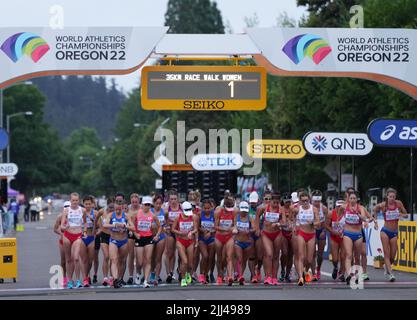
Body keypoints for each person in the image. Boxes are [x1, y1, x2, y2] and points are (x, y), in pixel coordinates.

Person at [373, 188, 408, 282]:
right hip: (385, 231)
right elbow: (374, 209)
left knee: (393, 256)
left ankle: (386, 266)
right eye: (390, 196)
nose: (392, 198)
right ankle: (390, 274)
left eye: (393, 196)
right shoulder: (384, 205)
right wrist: (375, 221)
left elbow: (406, 214)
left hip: (394, 232)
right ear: (387, 197)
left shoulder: (399, 204)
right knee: (386, 253)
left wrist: (401, 214)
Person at [338, 191, 370, 285]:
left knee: (357, 257)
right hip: (347, 233)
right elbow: (339, 214)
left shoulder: (360, 208)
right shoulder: (344, 207)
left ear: (357, 199)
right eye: (350, 198)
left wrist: (358, 214)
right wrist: (339, 222)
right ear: (348, 199)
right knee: (348, 255)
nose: (352, 200)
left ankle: (356, 275)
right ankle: (349, 274)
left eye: (354, 198)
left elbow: (364, 218)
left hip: (358, 235)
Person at [103, 198, 132, 288]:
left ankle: (120, 278)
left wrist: (126, 226)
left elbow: (133, 227)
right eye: (116, 209)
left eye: (120, 209)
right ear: (115, 208)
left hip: (124, 241)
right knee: (114, 259)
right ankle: (115, 279)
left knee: (122, 261)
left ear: (122, 208)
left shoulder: (126, 216)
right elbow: (105, 225)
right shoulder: (111, 215)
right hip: (113, 240)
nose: (118, 210)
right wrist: (115, 225)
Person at [133, 196, 161, 288]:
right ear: (142, 205)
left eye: (149, 205)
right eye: (146, 204)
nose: (147, 206)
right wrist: (134, 233)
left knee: (148, 259)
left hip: (149, 238)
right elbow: (132, 225)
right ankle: (138, 273)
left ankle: (146, 280)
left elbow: (160, 226)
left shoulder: (152, 215)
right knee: (140, 262)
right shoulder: (137, 213)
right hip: (139, 238)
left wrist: (157, 235)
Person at [60, 193, 87, 289]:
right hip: (67, 235)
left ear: (78, 200)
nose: (75, 202)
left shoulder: (82, 210)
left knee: (76, 258)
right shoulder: (66, 211)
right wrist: (65, 227)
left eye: (76, 200)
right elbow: (62, 226)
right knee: (68, 259)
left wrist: (84, 231)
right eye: (73, 200)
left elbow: (85, 222)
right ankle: (70, 281)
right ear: (70, 201)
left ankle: (78, 280)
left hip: (78, 236)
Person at [293, 191, 320, 286]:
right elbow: (291, 218)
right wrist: (294, 227)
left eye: (306, 200)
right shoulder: (297, 209)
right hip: (301, 233)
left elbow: (318, 223)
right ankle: (300, 277)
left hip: (311, 234)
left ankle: (305, 271)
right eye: (303, 201)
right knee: (301, 256)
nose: (305, 202)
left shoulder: (314, 209)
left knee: (309, 259)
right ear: (300, 201)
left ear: (309, 200)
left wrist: (312, 223)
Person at [258, 192, 285, 285]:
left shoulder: (281, 209)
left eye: (277, 203)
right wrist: (258, 228)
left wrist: (278, 223)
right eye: (274, 202)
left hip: (277, 234)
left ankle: (274, 277)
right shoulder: (264, 208)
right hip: (266, 233)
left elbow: (284, 222)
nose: (275, 205)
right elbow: (256, 217)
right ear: (270, 201)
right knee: (269, 254)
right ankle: (268, 276)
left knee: (276, 255)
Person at [172, 201, 199, 287]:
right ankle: (183, 278)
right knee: (184, 261)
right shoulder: (178, 217)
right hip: (181, 241)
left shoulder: (193, 217)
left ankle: (188, 274)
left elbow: (196, 229)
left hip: (190, 241)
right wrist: (180, 233)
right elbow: (173, 229)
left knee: (190, 264)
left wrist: (192, 232)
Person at [233, 201, 256, 285]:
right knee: (239, 258)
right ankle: (239, 275)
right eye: (242, 211)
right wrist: (235, 229)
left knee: (244, 260)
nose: (243, 212)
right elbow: (233, 226)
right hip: (238, 241)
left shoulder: (250, 218)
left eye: (245, 211)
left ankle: (240, 274)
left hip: (247, 242)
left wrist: (249, 231)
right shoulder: (236, 217)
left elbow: (254, 228)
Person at [214, 197, 236, 285]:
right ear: (224, 206)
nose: (230, 209)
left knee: (229, 257)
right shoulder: (218, 212)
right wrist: (225, 229)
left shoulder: (234, 212)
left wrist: (233, 228)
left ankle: (230, 276)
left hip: (229, 237)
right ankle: (220, 275)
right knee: (220, 258)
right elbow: (215, 226)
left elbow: (235, 224)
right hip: (219, 236)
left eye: (231, 207)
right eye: (228, 207)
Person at [164, 190, 182, 283]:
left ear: (177, 199)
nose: (173, 201)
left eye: (175, 199)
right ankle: (169, 273)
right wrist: (170, 224)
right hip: (170, 232)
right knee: (169, 253)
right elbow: (165, 221)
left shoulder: (181, 207)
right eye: (171, 199)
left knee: (180, 254)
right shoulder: (167, 208)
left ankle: (179, 270)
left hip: (179, 233)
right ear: (169, 199)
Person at [326, 197, 346, 281]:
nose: (340, 208)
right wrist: (333, 231)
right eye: (338, 206)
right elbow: (326, 225)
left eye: (341, 206)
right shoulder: (331, 213)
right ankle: (335, 267)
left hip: (344, 237)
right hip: (334, 237)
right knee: (335, 258)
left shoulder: (346, 214)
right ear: (335, 206)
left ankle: (342, 273)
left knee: (343, 256)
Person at [310, 190, 328, 281]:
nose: (317, 203)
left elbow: (326, 221)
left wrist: (323, 230)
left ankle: (318, 269)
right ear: (312, 201)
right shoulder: (309, 208)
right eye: (315, 201)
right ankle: (313, 273)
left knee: (320, 255)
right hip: (312, 231)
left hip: (321, 231)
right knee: (312, 253)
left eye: (318, 201)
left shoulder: (324, 208)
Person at [80, 195, 97, 287]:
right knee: (84, 260)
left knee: (90, 260)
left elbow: (100, 227)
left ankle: (87, 275)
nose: (87, 206)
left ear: (92, 204)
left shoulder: (95, 213)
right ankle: (85, 278)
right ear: (83, 204)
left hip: (91, 237)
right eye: (86, 204)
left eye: (89, 204)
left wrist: (96, 232)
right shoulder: (80, 212)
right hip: (82, 238)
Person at [198, 199, 216, 284]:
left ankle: (206, 274)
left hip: (212, 238)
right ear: (202, 208)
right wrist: (203, 230)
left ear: (211, 208)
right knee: (205, 256)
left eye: (208, 208)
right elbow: (197, 226)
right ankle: (201, 274)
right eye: (205, 208)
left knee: (210, 258)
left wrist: (210, 232)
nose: (207, 210)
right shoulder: (200, 215)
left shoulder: (215, 215)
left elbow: (217, 227)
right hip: (202, 238)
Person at [150, 194, 167, 285]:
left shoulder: (164, 212)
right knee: (152, 257)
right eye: (157, 203)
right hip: (152, 236)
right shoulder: (150, 211)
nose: (158, 205)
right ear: (154, 203)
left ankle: (157, 277)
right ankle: (152, 273)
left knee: (158, 258)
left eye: (160, 203)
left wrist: (164, 228)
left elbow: (165, 224)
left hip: (161, 236)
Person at [97, 198, 114, 286]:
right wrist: (98, 228)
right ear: (107, 205)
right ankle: (105, 278)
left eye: (112, 207)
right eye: (110, 207)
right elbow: (96, 218)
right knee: (106, 256)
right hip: (104, 235)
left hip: (113, 236)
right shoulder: (102, 211)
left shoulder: (116, 213)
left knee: (112, 257)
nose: (111, 209)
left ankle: (111, 277)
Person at [279, 192, 295, 283]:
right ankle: (282, 270)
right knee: (284, 253)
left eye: (289, 201)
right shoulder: (281, 209)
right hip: (283, 232)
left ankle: (287, 274)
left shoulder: (293, 209)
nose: (287, 203)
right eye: (286, 201)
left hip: (292, 233)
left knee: (290, 254)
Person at [54, 201, 70, 287]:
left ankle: (70, 278)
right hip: (62, 241)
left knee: (72, 260)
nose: (67, 208)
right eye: (66, 206)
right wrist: (62, 234)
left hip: (73, 240)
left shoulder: (75, 216)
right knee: (63, 261)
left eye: (69, 206)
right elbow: (55, 229)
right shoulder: (60, 217)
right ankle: (64, 278)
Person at [248, 191, 263, 283]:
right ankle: (253, 275)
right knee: (252, 256)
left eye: (255, 202)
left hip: (259, 234)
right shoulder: (247, 209)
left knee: (260, 256)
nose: (253, 203)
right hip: (250, 234)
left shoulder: (261, 209)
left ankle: (258, 269)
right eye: (251, 202)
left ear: (258, 201)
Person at [127, 193, 141, 285]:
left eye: (136, 202)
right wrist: (130, 229)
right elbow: (126, 220)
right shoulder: (128, 209)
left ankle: (139, 274)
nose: (134, 203)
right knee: (131, 255)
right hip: (131, 233)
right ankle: (131, 276)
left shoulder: (142, 208)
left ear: (139, 201)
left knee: (140, 256)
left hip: (140, 233)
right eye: (133, 202)